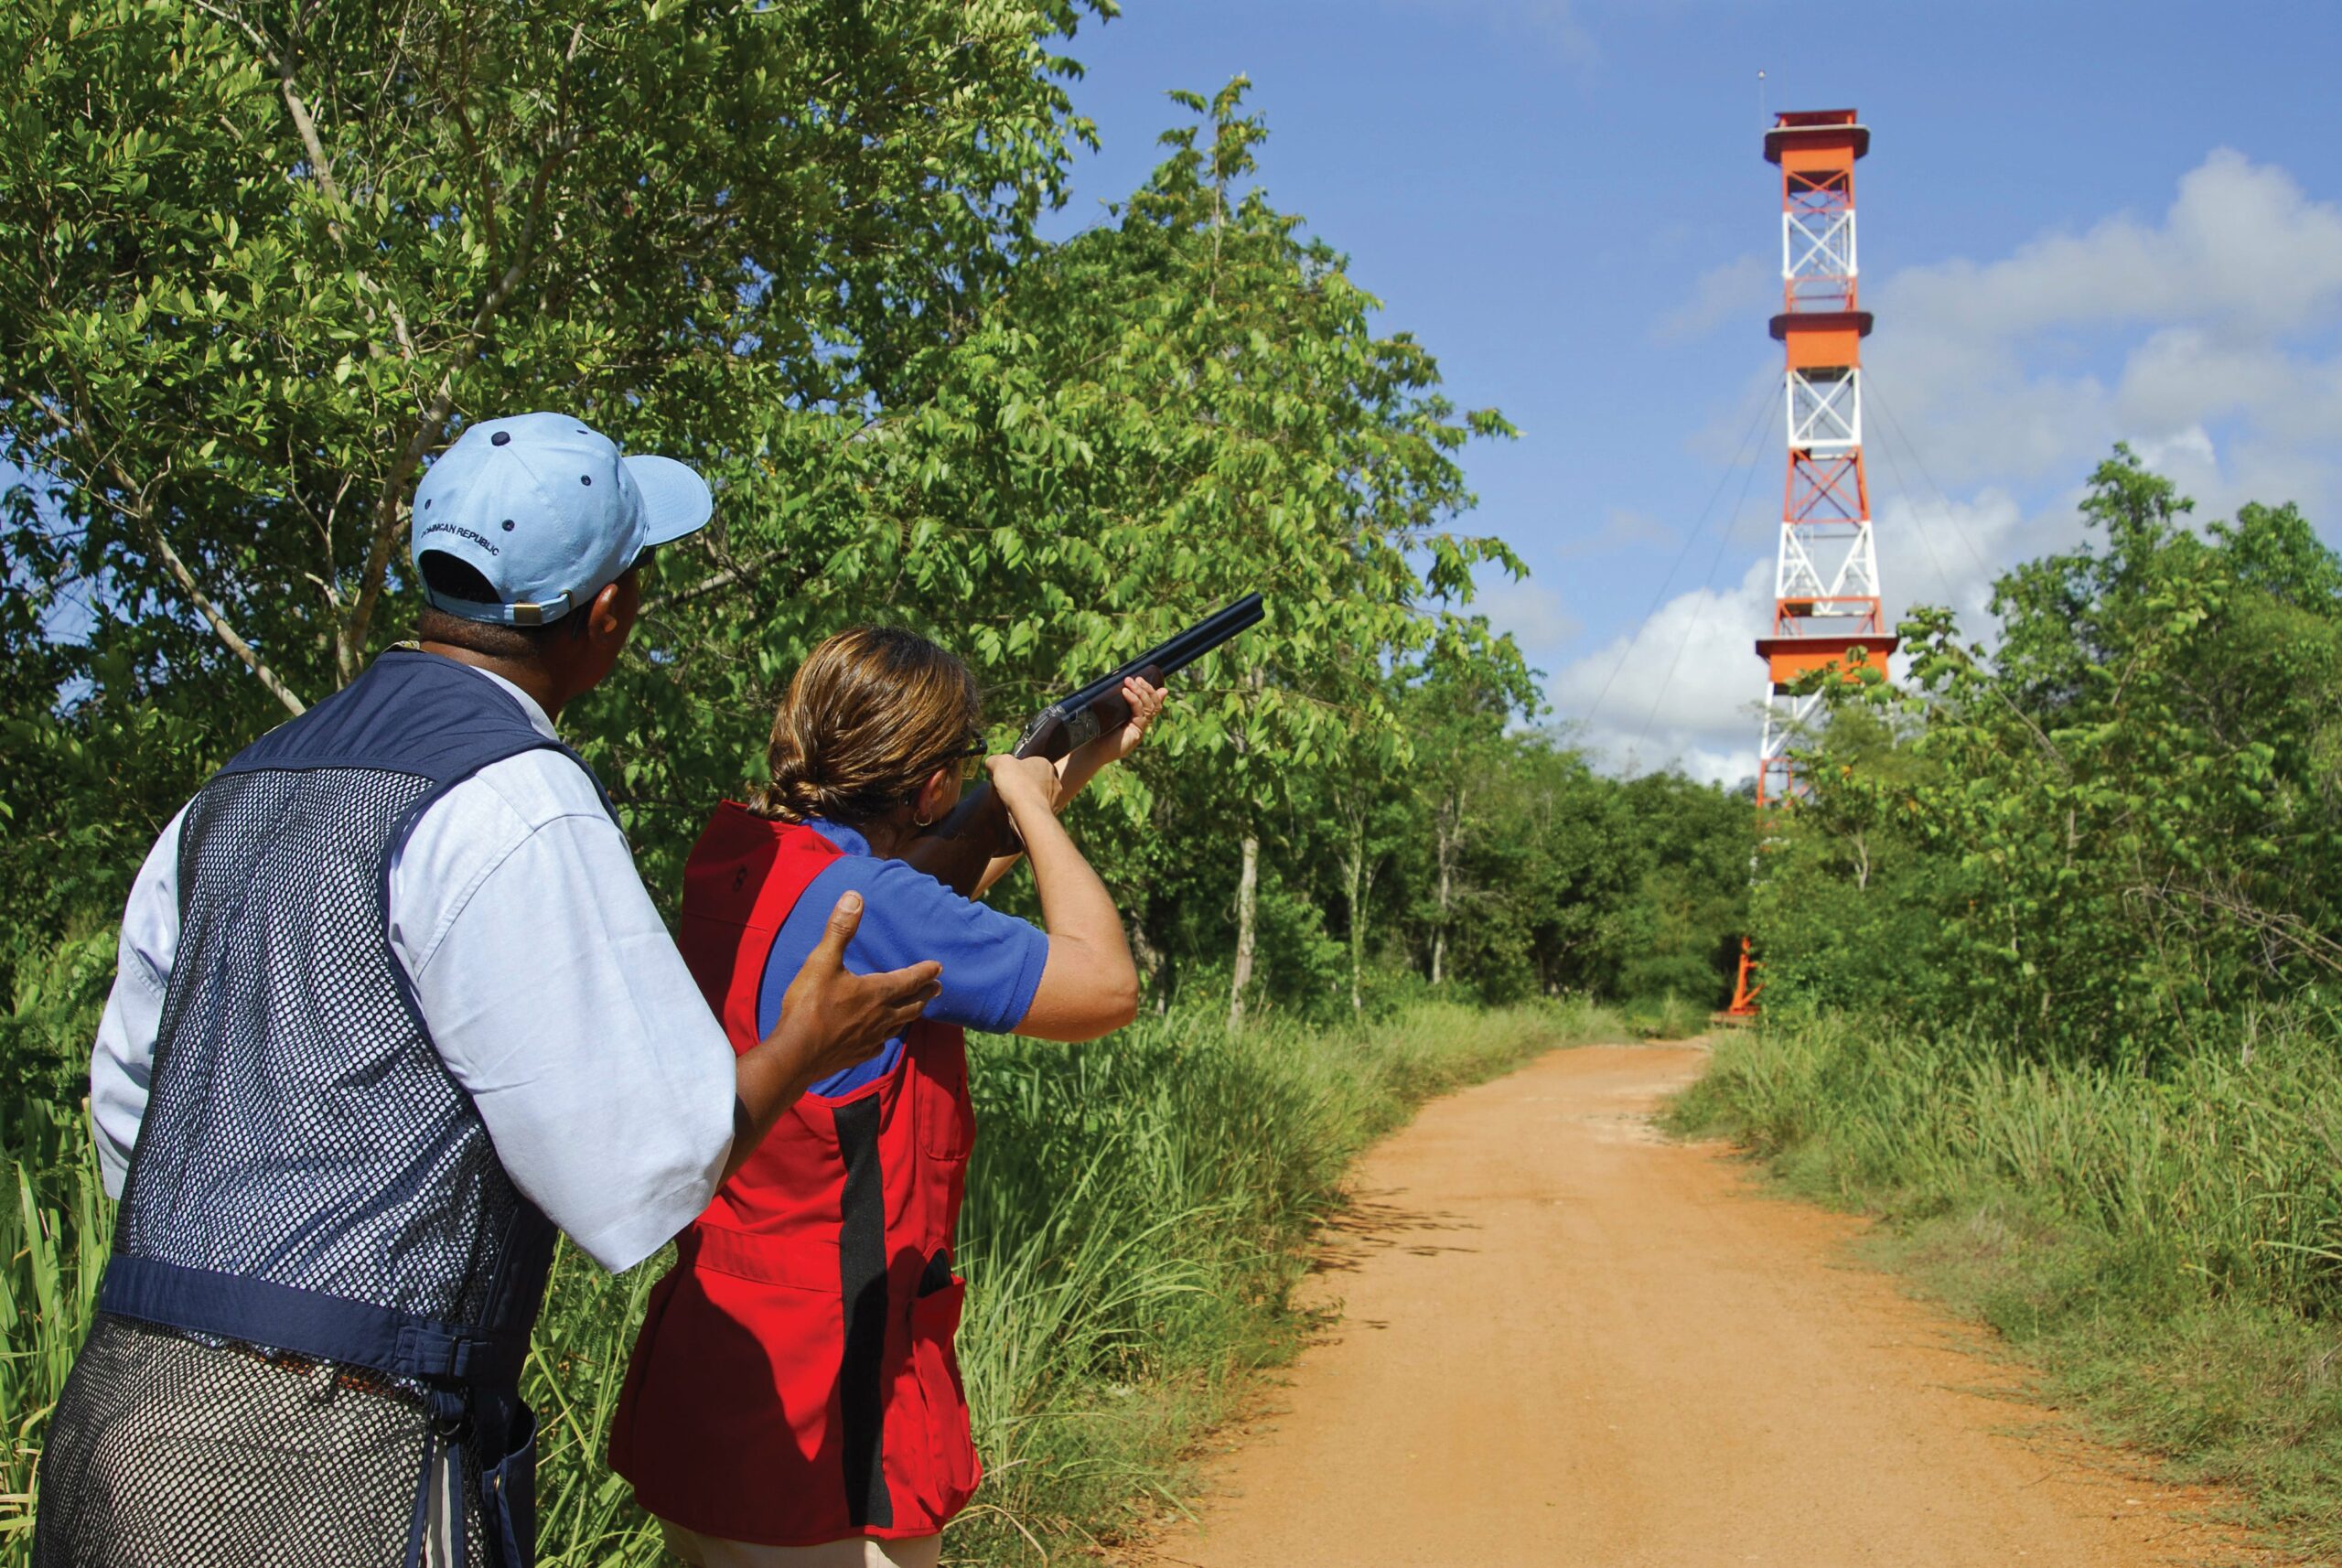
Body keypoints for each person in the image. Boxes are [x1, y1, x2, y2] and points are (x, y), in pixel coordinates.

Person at [34, 413, 942, 1568]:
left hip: (124, 1411)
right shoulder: (518, 797)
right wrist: (802, 1042)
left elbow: (132, 1104)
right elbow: (642, 1164)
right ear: (609, 613)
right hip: (331, 1450)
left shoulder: (241, 784)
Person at [608, 627, 1157, 1567]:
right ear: (934, 789)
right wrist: (1033, 808)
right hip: (826, 1404)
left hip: (717, 1360)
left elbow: (915, 882)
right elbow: (1105, 986)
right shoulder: (873, 899)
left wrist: (1069, 769)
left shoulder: (738, 853)